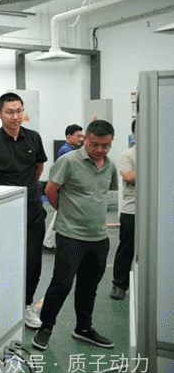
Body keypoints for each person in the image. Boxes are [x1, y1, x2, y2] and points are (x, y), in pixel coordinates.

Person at [32, 120, 118, 350]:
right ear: (85, 139)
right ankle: (45, 328)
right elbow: (50, 190)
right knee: (61, 284)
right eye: (95, 144)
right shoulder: (68, 161)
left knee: (89, 287)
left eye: (106, 146)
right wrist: (66, 212)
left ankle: (83, 328)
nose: (100, 150)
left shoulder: (110, 166)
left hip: (99, 237)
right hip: (71, 236)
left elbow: (105, 194)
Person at [0, 93, 48, 329]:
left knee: (33, 262)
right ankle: (4, 305)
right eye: (9, 112)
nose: (15, 116)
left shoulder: (34, 138)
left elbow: (39, 168)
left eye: (19, 111)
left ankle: (26, 305)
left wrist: (29, 188)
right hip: (5, 215)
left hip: (33, 212)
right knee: (4, 263)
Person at [43, 124, 84, 250]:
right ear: (69, 136)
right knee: (59, 214)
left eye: (81, 136)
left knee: (59, 214)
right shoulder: (67, 151)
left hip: (64, 186)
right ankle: (48, 242)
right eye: (78, 136)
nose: (81, 139)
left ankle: (48, 242)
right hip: (65, 188)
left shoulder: (68, 148)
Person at [111, 120, 136, 300]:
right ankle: (119, 285)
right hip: (131, 210)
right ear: (134, 133)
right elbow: (128, 176)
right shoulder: (127, 154)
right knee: (126, 247)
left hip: (155, 210)